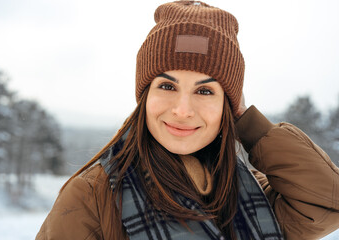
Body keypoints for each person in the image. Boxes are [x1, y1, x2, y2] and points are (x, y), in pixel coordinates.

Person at [36, 1, 339, 239]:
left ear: (228, 107)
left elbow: (328, 202)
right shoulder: (93, 196)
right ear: (145, 97)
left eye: (205, 91)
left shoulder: (248, 191)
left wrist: (248, 124)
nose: (183, 110)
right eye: (167, 86)